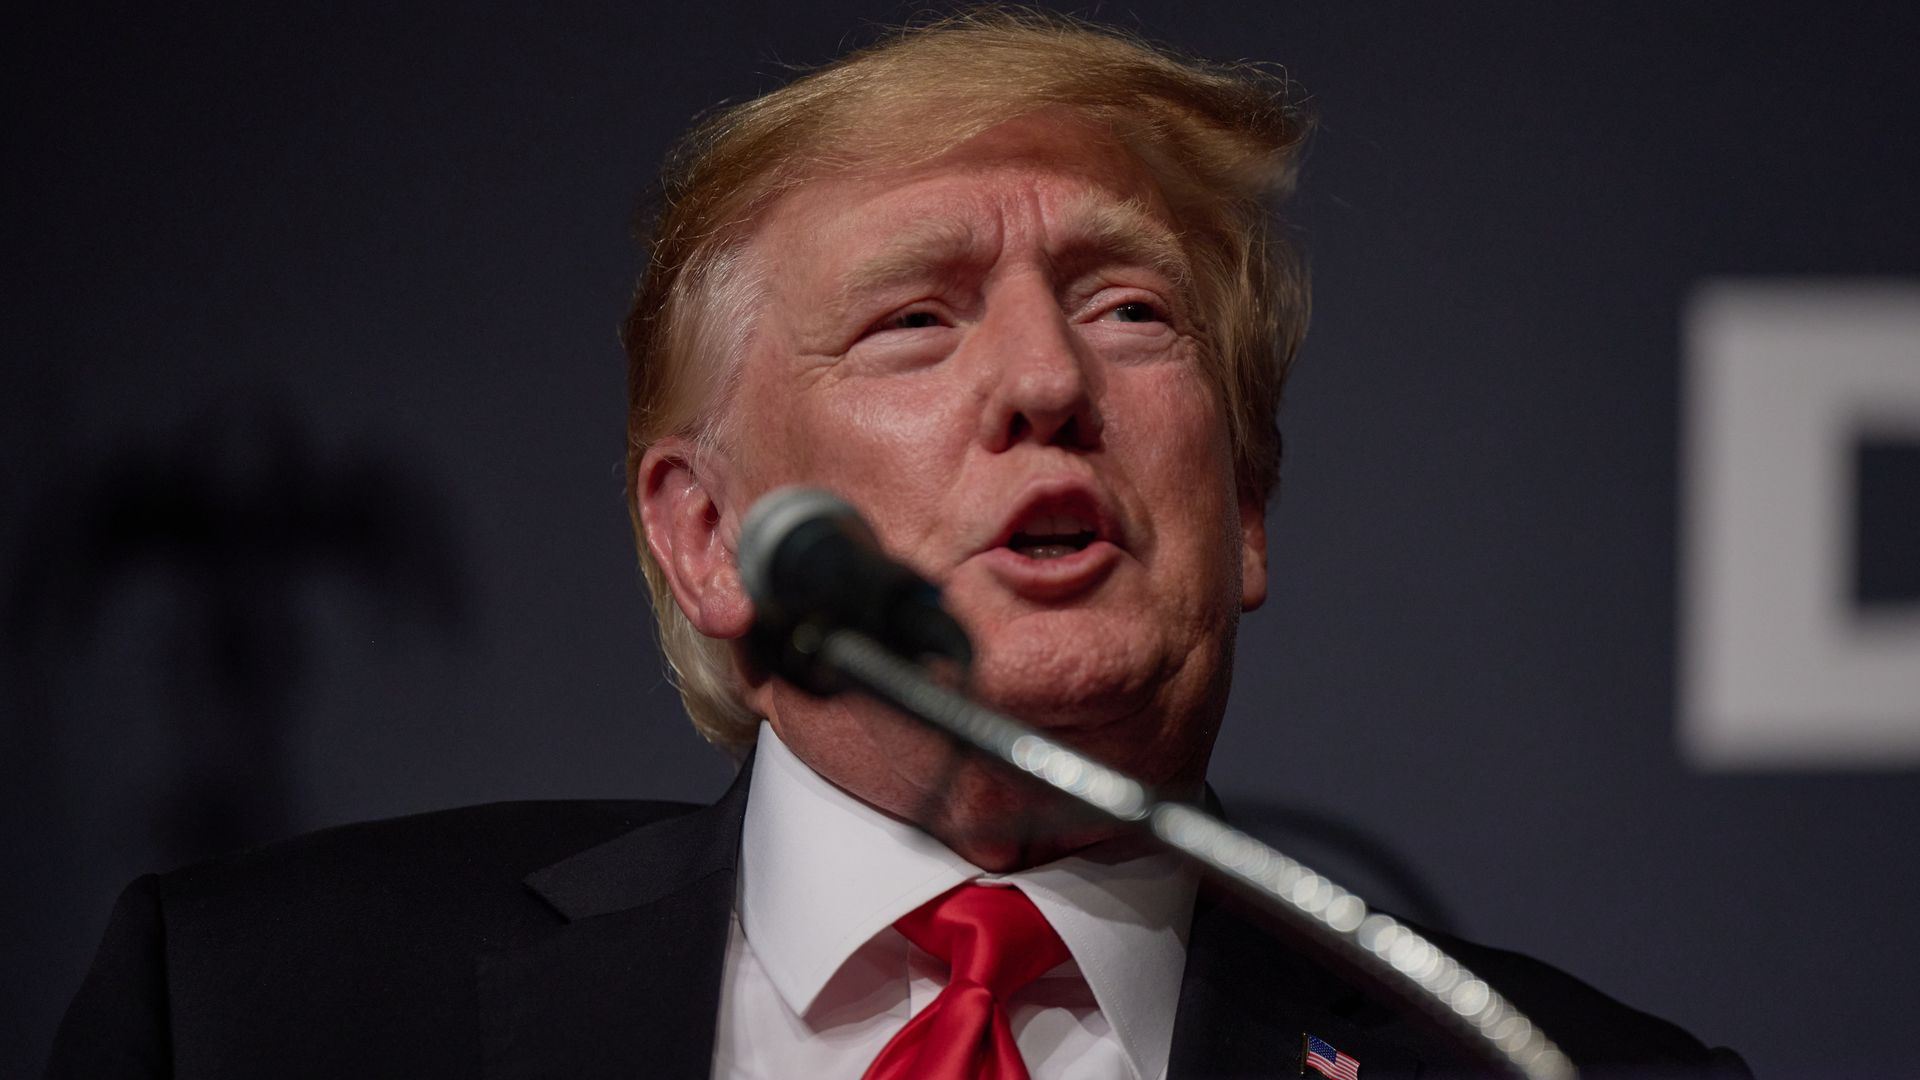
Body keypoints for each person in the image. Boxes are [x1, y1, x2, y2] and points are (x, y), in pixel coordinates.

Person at [50, 11, 1748, 1078]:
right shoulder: (259, 1014)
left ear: (1242, 510)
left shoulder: (1554, 1070)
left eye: (1131, 307)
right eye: (916, 324)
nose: (1044, 381)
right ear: (708, 539)